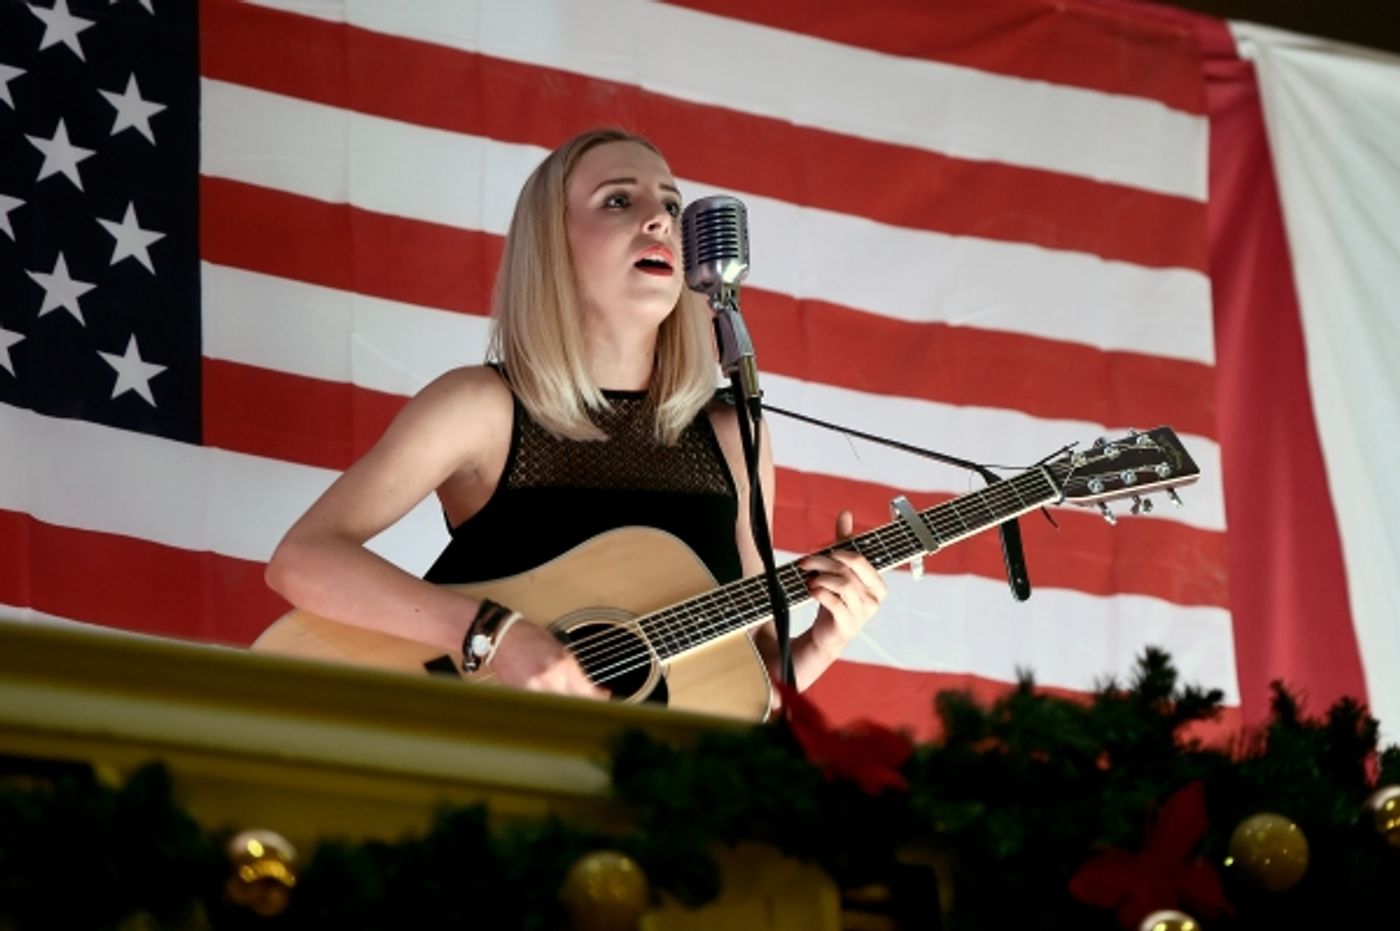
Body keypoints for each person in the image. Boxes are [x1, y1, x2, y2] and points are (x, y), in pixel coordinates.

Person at [264, 127, 886, 705]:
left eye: (671, 207)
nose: (659, 220)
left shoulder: (732, 435)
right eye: (618, 201)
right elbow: (303, 558)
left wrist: (825, 638)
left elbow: (751, 681)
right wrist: (495, 636)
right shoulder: (483, 407)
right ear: (552, 240)